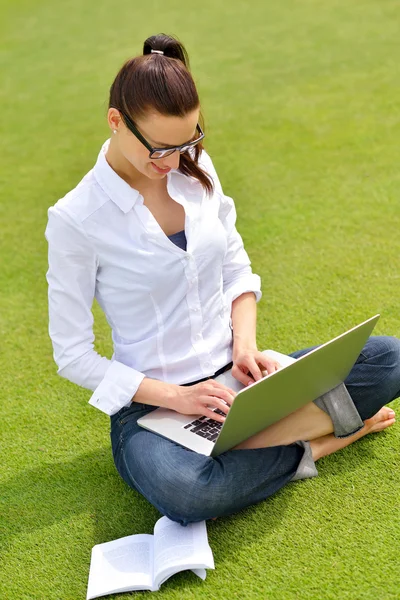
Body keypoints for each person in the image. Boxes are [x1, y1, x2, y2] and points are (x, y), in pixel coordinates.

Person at [45, 33, 399, 526]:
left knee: (389, 360)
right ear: (115, 121)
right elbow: (73, 356)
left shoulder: (195, 170)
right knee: (184, 492)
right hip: (153, 409)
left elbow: (236, 267)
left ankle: (252, 441)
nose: (171, 163)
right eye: (159, 149)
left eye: (186, 142)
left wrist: (245, 347)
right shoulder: (75, 219)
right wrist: (179, 398)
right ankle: (318, 444)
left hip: (238, 383)